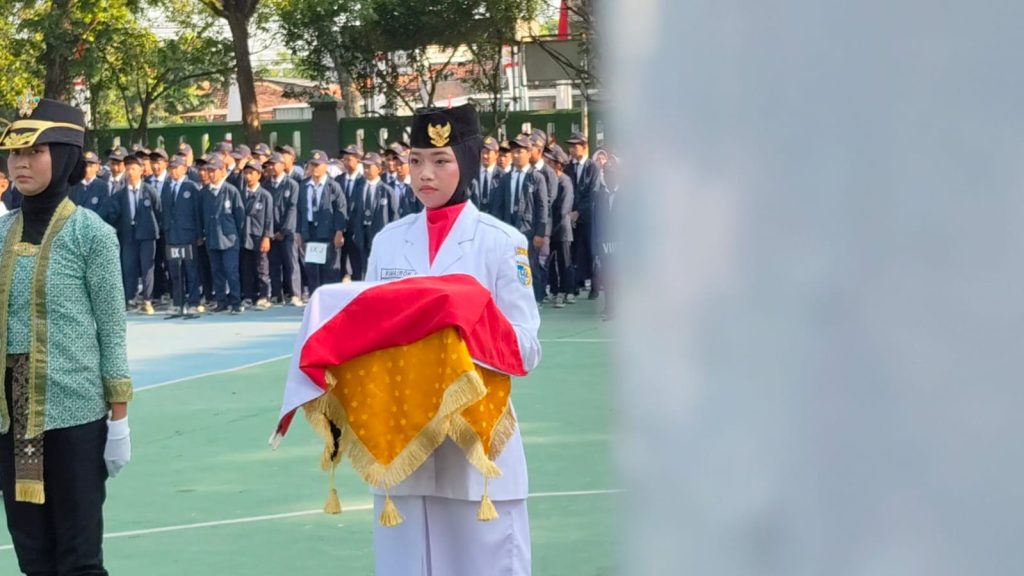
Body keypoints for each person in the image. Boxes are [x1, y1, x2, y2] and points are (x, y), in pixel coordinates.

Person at [365, 103, 540, 576]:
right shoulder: (387, 242)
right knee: (408, 564)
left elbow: (527, 348)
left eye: (441, 161)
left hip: (475, 443)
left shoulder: (501, 242)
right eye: (416, 160)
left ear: (467, 162)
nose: (425, 173)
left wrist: (461, 326)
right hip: (404, 438)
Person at [0, 96, 132, 575]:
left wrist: (119, 423)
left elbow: (112, 330)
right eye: (14, 153)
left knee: (79, 558)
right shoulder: (0, 233)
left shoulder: (91, 234)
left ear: (64, 157)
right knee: (32, 555)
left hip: (74, 415)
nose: (20, 163)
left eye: (34, 152)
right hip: (11, 419)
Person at [490, 134, 549, 304]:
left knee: (530, 265)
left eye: (520, 152)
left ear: (529, 153)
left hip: (528, 229)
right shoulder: (506, 178)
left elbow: (542, 207)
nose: (516, 155)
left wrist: (540, 232)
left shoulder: (536, 177)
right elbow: (499, 205)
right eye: (514, 152)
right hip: (510, 227)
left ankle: (536, 298)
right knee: (510, 265)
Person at [106, 154, 162, 315]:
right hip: (128, 235)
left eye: (134, 169)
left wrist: (153, 228)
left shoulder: (149, 190)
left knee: (147, 268)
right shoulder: (120, 194)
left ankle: (147, 299)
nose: (130, 172)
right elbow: (114, 215)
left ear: (141, 170)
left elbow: (158, 211)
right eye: (128, 169)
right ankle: (130, 298)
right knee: (128, 267)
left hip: (147, 235)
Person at [198, 155, 246, 314]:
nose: (211, 174)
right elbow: (200, 216)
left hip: (229, 239)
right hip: (212, 238)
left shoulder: (231, 190)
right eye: (209, 171)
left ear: (222, 171)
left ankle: (236, 301)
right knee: (216, 272)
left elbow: (240, 217)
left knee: (231, 271)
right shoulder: (204, 193)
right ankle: (221, 301)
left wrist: (237, 235)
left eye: (214, 171)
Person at [295, 150, 346, 292]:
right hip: (310, 231)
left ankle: (330, 298)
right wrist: (298, 232)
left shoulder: (333, 186)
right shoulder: (304, 185)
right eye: (312, 164)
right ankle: (314, 297)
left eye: (318, 165)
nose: (314, 168)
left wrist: (339, 231)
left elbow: (341, 210)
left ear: (326, 166)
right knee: (312, 268)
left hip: (328, 232)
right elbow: (299, 210)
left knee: (329, 269)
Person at [161, 155, 203, 316]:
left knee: (191, 270)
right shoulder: (166, 187)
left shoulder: (191, 187)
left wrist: (199, 234)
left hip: (188, 234)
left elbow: (197, 213)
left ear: (184, 169)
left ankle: (193, 301)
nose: (173, 171)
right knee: (175, 270)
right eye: (171, 168)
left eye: (176, 168)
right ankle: (178, 302)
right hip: (172, 235)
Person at [350, 152, 398, 279]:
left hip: (380, 233)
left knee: (380, 265)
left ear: (379, 169)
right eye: (365, 167)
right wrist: (356, 231)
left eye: (369, 167)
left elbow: (394, 215)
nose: (366, 170)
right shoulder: (359, 188)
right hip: (363, 233)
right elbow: (354, 211)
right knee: (364, 266)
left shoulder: (387, 190)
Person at [263, 153, 302, 306]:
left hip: (288, 231)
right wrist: (269, 232)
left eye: (274, 164)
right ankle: (276, 294)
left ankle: (295, 294)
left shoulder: (292, 185)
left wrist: (284, 230)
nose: (271, 167)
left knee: (291, 263)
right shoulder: (266, 185)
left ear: (282, 165)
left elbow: (292, 209)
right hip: (271, 232)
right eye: (269, 164)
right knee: (274, 264)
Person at [564, 132, 599, 301]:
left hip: (588, 216)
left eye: (575, 146)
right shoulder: (568, 168)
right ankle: (575, 284)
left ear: (584, 147)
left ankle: (595, 285)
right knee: (573, 251)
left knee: (591, 250)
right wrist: (570, 212)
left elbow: (593, 193)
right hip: (571, 217)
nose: (571, 149)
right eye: (570, 146)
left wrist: (579, 212)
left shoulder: (592, 167)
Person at [239, 159, 274, 310]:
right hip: (244, 235)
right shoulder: (241, 194)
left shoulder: (265, 195)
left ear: (259, 175)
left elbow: (269, 218)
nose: (248, 176)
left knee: (262, 268)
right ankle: (248, 296)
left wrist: (267, 237)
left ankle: (264, 296)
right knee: (246, 267)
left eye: (251, 173)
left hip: (259, 236)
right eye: (246, 173)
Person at [543, 145, 575, 308]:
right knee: (549, 263)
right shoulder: (549, 180)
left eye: (550, 162)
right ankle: (554, 290)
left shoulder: (565, 182)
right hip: (550, 229)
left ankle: (567, 291)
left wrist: (551, 228)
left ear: (558, 164)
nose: (547, 164)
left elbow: (564, 210)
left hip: (562, 229)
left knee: (564, 262)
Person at [591, 156, 619, 321]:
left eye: (612, 173)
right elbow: (595, 221)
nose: (609, 177)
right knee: (607, 274)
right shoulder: (599, 195)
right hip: (605, 243)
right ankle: (609, 305)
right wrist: (595, 246)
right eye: (607, 173)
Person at [335, 144, 363, 280]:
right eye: (344, 159)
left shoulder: (363, 181)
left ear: (358, 160)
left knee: (357, 264)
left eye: (349, 159)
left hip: (355, 229)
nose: (346, 162)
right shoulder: (338, 180)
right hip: (340, 229)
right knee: (338, 264)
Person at [70, 151, 112, 218]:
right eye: (84, 166)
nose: (87, 169)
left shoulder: (103, 186)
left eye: (90, 166)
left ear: (97, 167)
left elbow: (103, 210)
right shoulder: (74, 186)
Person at [470, 136, 501, 213]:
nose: (484, 156)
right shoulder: (472, 173)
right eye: (483, 152)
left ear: (496, 154)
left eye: (488, 152)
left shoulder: (502, 176)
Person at [395, 151, 422, 217]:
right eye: (397, 164)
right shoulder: (389, 186)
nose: (398, 167)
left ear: (410, 165)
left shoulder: (417, 186)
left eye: (401, 164)